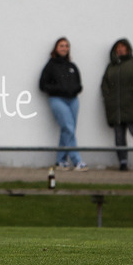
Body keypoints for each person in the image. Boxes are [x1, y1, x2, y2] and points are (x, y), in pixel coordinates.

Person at [101, 38, 133, 171]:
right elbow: (104, 84)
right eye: (117, 47)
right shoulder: (111, 66)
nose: (120, 49)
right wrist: (108, 96)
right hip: (115, 108)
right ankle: (123, 162)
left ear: (128, 48)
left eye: (122, 47)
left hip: (131, 106)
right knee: (119, 135)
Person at [39, 37, 88, 171]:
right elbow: (42, 85)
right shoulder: (50, 66)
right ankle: (77, 161)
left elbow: (79, 83)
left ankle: (61, 161)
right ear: (56, 48)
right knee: (68, 127)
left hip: (73, 100)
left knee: (67, 130)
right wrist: (59, 89)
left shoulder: (72, 66)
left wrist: (75, 90)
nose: (64, 48)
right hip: (57, 100)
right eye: (61, 46)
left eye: (66, 46)